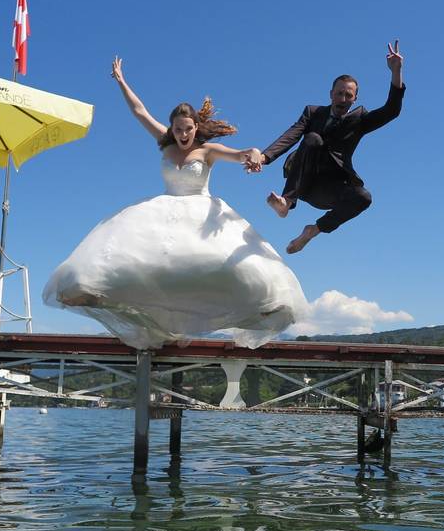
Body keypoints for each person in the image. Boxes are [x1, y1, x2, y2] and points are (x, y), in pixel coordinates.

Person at [43, 57, 308, 350]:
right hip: (164, 209)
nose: (183, 135)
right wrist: (121, 81)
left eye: (188, 129)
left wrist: (255, 155)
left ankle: (263, 307)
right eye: (178, 129)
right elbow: (140, 111)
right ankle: (100, 295)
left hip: (201, 212)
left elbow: (241, 153)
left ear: (196, 127)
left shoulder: (208, 151)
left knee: (219, 265)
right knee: (144, 264)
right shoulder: (165, 143)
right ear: (172, 128)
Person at [249, 41, 405, 254]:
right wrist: (265, 157)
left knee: (363, 197)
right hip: (304, 180)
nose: (343, 99)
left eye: (348, 95)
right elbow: (292, 135)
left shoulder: (359, 120)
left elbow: (391, 111)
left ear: (355, 98)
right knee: (312, 138)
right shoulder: (313, 113)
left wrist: (396, 72)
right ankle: (287, 201)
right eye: (339, 93)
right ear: (331, 93)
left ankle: (313, 230)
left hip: (329, 190)